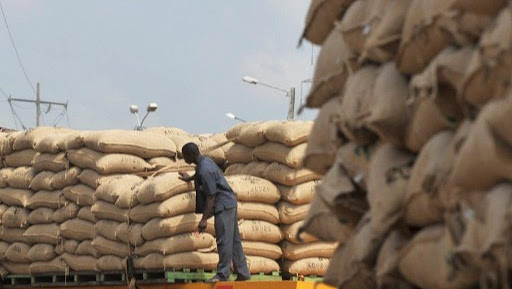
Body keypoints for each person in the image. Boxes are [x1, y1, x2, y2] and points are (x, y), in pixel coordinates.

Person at [178, 142, 250, 282]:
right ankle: (243, 273)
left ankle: (223, 274)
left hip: (222, 205)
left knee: (223, 240)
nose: (184, 158)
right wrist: (190, 177)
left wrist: (204, 219)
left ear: (191, 155)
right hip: (228, 203)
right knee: (234, 241)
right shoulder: (205, 163)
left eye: (185, 156)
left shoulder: (204, 169)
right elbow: (202, 175)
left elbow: (211, 196)